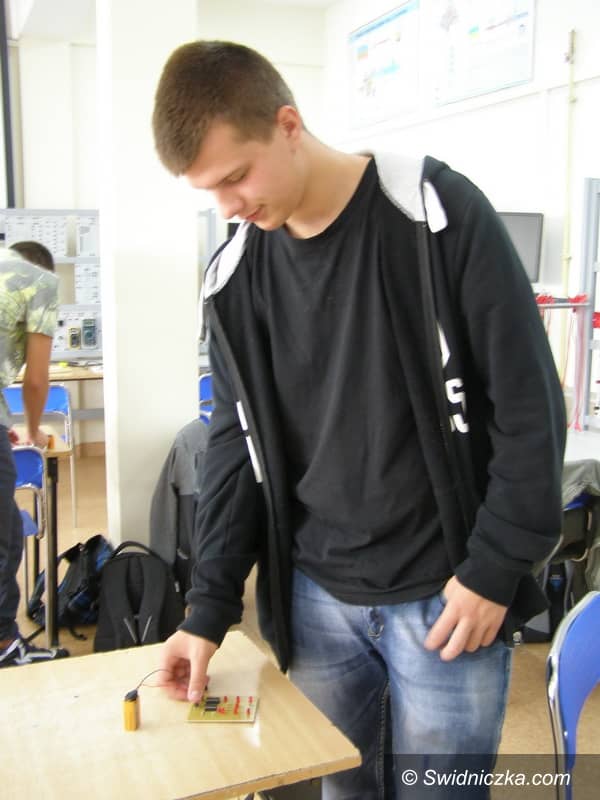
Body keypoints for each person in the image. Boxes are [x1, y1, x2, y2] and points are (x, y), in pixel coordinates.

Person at [152, 41, 566, 798]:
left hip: (447, 599)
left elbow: (528, 405)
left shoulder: (435, 214)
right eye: (209, 192)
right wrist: (206, 610)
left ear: (288, 125)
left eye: (236, 176)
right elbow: (235, 450)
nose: (229, 207)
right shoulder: (237, 277)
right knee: (343, 789)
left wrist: (494, 567)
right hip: (315, 603)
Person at [0, 241, 69, 667]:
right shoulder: (40, 282)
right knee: (5, 539)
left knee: (8, 531)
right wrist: (30, 429)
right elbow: (37, 380)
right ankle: (4, 646)